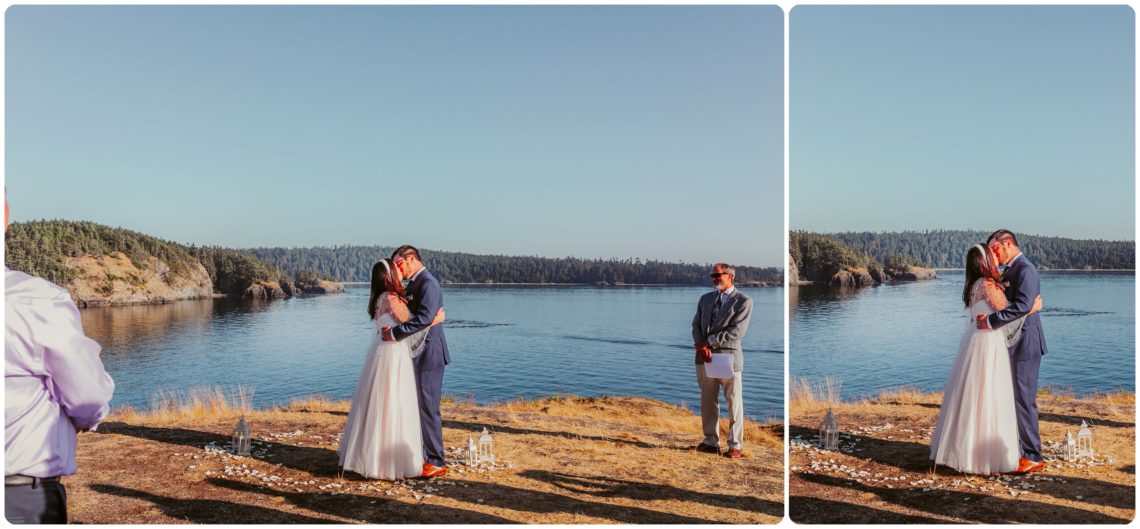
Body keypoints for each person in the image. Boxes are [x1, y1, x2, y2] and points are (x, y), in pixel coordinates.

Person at [5, 196, 115, 523]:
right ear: (5, 215)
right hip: (20, 498)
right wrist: (86, 417)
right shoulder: (36, 301)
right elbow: (88, 394)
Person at [929, 244, 1041, 474]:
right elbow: (1008, 315)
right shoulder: (987, 284)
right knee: (989, 394)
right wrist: (1032, 308)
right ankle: (985, 457)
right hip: (988, 343)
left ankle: (966, 451)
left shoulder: (972, 285)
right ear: (985, 262)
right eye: (992, 256)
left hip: (975, 340)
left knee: (972, 395)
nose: (996, 258)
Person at [338, 258, 444, 480]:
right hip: (393, 355)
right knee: (394, 403)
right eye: (396, 271)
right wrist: (436, 319)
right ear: (390, 277)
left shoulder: (378, 298)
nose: (400, 273)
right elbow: (414, 326)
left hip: (380, 352)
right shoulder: (391, 298)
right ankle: (390, 462)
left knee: (379, 405)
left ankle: (372, 457)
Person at [976, 229, 1050, 474]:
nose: (993, 255)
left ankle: (1032, 455)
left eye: (995, 249)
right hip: (1012, 341)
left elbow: (1022, 305)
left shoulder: (1025, 269)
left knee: (1024, 400)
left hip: (1026, 343)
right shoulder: (1010, 270)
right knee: (1012, 398)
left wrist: (991, 322)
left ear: (1008, 244)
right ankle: (1017, 450)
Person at [382, 245, 451, 478]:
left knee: (428, 408)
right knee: (417, 406)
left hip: (429, 353)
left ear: (411, 259)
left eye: (399, 264)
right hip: (416, 351)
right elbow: (419, 317)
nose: (397, 270)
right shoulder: (414, 283)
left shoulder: (428, 283)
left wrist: (393, 334)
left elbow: (423, 318)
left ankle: (436, 461)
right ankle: (422, 456)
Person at [691, 263, 752, 459]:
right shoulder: (705, 299)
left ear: (730, 276)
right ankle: (710, 442)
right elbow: (695, 324)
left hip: (729, 358)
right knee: (707, 401)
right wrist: (701, 346)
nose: (714, 278)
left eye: (718, 275)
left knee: (734, 402)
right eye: (712, 275)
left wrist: (709, 342)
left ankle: (735, 445)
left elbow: (737, 332)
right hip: (704, 358)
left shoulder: (743, 301)